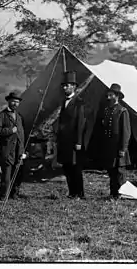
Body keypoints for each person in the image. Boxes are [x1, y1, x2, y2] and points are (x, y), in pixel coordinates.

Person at [57, 71, 86, 199]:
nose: (64, 88)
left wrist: (79, 141)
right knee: (67, 166)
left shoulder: (79, 102)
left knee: (75, 168)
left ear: (73, 86)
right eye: (63, 85)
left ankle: (79, 193)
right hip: (64, 141)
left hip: (74, 141)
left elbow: (80, 123)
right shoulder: (63, 102)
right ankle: (72, 192)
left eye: (67, 85)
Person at [99, 83, 131, 200]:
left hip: (118, 147)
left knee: (119, 172)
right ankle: (113, 194)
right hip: (109, 147)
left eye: (111, 95)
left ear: (117, 96)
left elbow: (126, 132)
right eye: (108, 95)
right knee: (111, 171)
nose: (108, 97)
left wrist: (123, 148)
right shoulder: (107, 110)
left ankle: (121, 194)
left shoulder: (122, 111)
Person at [0, 92, 26, 201]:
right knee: (6, 176)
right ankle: (3, 196)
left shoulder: (19, 117)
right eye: (13, 101)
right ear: (8, 101)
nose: (15, 103)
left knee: (17, 174)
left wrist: (23, 150)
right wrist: (10, 131)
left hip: (18, 151)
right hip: (7, 151)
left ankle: (14, 194)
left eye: (17, 102)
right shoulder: (1, 115)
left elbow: (21, 135)